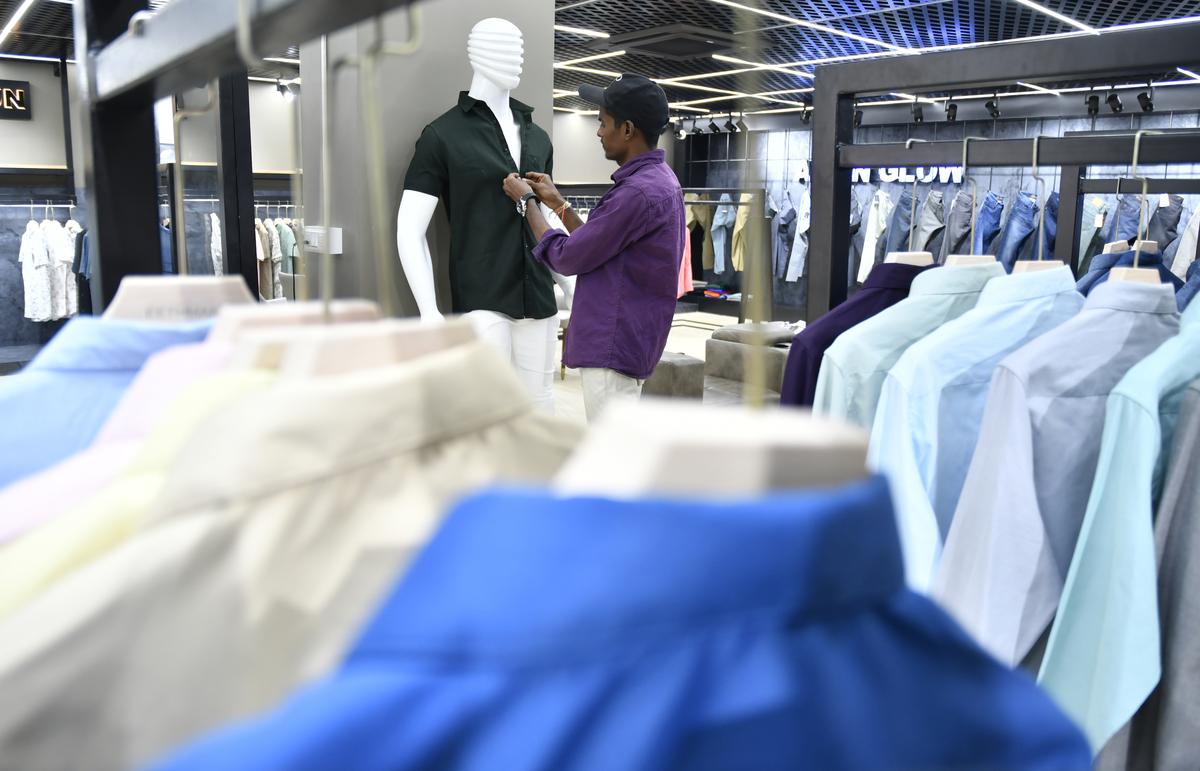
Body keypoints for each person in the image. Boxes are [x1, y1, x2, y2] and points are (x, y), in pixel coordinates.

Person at [502, 74, 684, 422]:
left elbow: (568, 256)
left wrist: (527, 203)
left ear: (627, 129)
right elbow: (598, 244)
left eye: (603, 123)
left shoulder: (636, 193)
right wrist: (557, 204)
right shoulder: (660, 182)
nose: (599, 132)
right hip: (631, 341)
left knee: (613, 458)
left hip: (613, 348)